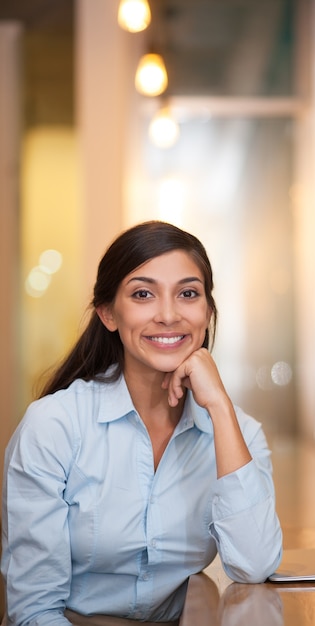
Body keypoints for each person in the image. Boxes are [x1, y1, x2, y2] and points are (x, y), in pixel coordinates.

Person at [1, 221, 283, 625]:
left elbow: (254, 565)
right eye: (143, 294)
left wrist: (220, 407)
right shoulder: (54, 426)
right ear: (109, 313)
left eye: (188, 293)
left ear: (207, 312)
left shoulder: (239, 434)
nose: (168, 315)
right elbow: (33, 610)